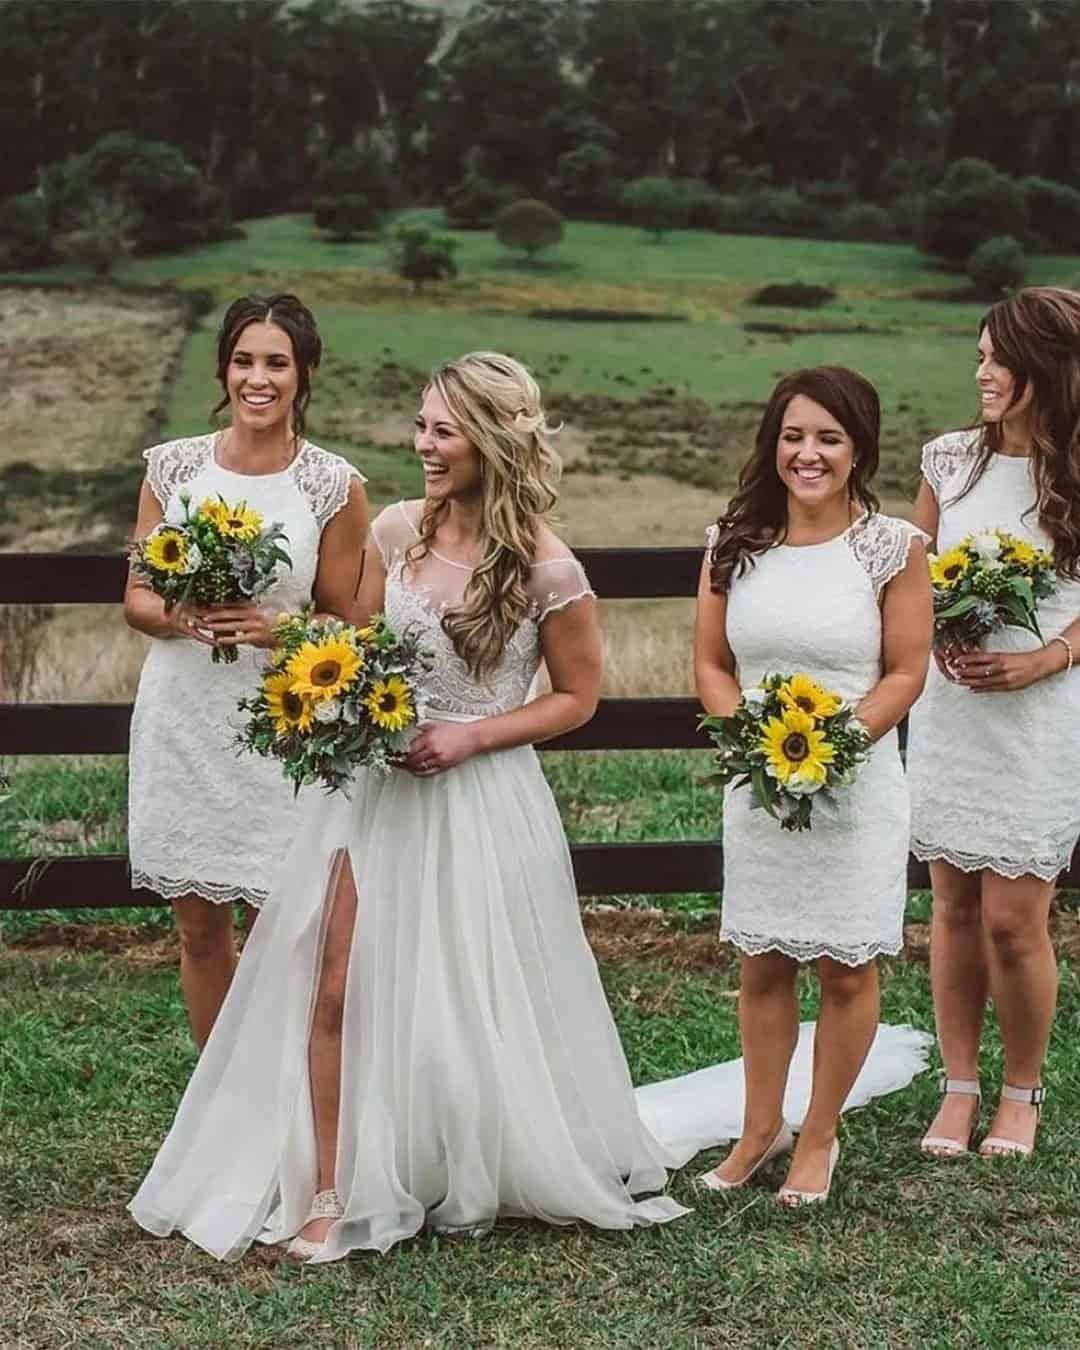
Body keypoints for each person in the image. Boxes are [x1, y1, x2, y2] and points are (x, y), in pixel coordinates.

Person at [128, 351, 688, 1262]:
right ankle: (328, 1190)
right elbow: (355, 644)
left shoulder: (549, 568)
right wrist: (306, 658)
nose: (423, 445)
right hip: (375, 789)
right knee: (333, 980)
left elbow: (576, 698)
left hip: (482, 799)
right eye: (421, 425)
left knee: (463, 992)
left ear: (495, 439)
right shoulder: (395, 531)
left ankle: (449, 1156)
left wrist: (471, 734)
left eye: (443, 430)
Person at [693, 366, 933, 1205]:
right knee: (760, 961)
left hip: (854, 784)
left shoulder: (892, 548)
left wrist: (832, 748)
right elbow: (712, 663)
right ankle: (762, 1130)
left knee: (844, 969)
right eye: (794, 435)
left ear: (858, 449)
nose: (808, 453)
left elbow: (906, 671)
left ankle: (819, 1135)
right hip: (757, 785)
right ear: (773, 443)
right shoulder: (732, 541)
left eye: (828, 437)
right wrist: (750, 745)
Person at [124, 294, 368, 1047]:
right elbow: (136, 596)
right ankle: (214, 1113)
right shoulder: (174, 468)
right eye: (243, 361)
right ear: (224, 368)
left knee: (283, 934)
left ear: (304, 375)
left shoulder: (334, 486)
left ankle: (287, 1111)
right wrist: (179, 615)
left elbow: (350, 623)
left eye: (276, 363)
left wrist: (277, 628)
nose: (257, 379)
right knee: (199, 932)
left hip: (281, 728)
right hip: (184, 717)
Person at [908, 287, 1080, 1160]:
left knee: (1016, 918)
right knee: (953, 908)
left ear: (1046, 368)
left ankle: (1023, 1090)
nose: (980, 373)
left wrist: (1049, 655)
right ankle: (959, 1084)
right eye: (977, 355)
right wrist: (932, 626)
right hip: (952, 713)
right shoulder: (948, 461)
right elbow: (911, 577)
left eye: (996, 359)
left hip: (1041, 718)